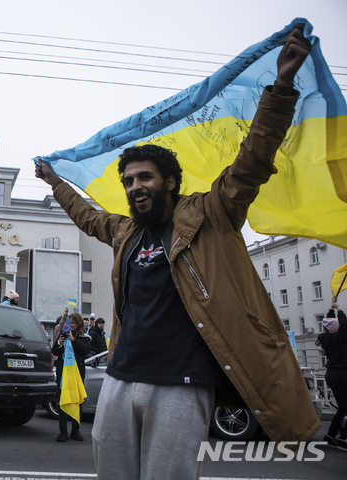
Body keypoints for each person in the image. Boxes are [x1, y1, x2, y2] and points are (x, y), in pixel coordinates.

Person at [35, 25, 318, 479]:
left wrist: (280, 87)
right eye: (128, 181)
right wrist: (54, 183)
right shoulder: (127, 233)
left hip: (182, 384)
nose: (134, 187)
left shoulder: (211, 213)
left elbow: (253, 161)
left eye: (144, 177)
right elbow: (88, 217)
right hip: (121, 377)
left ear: (168, 181)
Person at [52, 312, 91, 442]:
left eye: (73, 323)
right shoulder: (63, 335)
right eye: (69, 323)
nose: (71, 325)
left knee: (77, 402)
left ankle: (76, 431)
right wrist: (59, 342)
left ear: (78, 324)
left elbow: (85, 351)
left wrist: (72, 340)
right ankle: (63, 432)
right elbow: (54, 351)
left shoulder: (83, 337)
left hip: (77, 374)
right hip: (63, 374)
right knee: (62, 402)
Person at [316, 298, 347, 450]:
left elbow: (329, 323)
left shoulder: (328, 338)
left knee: (343, 407)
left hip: (332, 374)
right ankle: (344, 439)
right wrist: (339, 310)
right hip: (342, 374)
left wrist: (331, 309)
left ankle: (331, 435)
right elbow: (344, 326)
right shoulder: (341, 338)